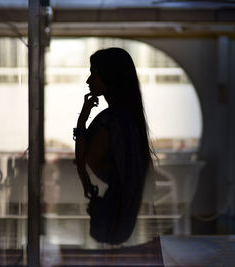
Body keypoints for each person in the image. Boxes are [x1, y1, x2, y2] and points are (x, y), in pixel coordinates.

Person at [74, 48, 153, 244]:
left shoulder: (112, 120)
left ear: (110, 77)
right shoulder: (127, 118)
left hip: (110, 214)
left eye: (94, 73)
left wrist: (82, 122)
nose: (88, 81)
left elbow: (85, 160)